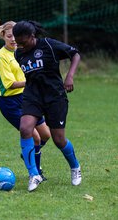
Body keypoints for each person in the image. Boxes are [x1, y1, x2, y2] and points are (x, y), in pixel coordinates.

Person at [13, 20, 82, 192]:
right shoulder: (18, 54)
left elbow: (75, 54)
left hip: (54, 97)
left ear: (32, 36)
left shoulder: (49, 46)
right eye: (17, 42)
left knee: (58, 139)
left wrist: (70, 76)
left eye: (23, 42)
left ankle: (75, 167)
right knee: (25, 128)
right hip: (32, 96)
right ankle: (34, 174)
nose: (20, 46)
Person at [0, 19, 51, 179]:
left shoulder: (22, 51)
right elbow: (10, 84)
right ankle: (36, 172)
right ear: (3, 35)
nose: (14, 39)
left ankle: (27, 153)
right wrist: (33, 80)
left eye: (16, 35)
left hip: (27, 98)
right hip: (10, 102)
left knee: (45, 135)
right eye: (9, 36)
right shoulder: (1, 57)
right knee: (34, 137)